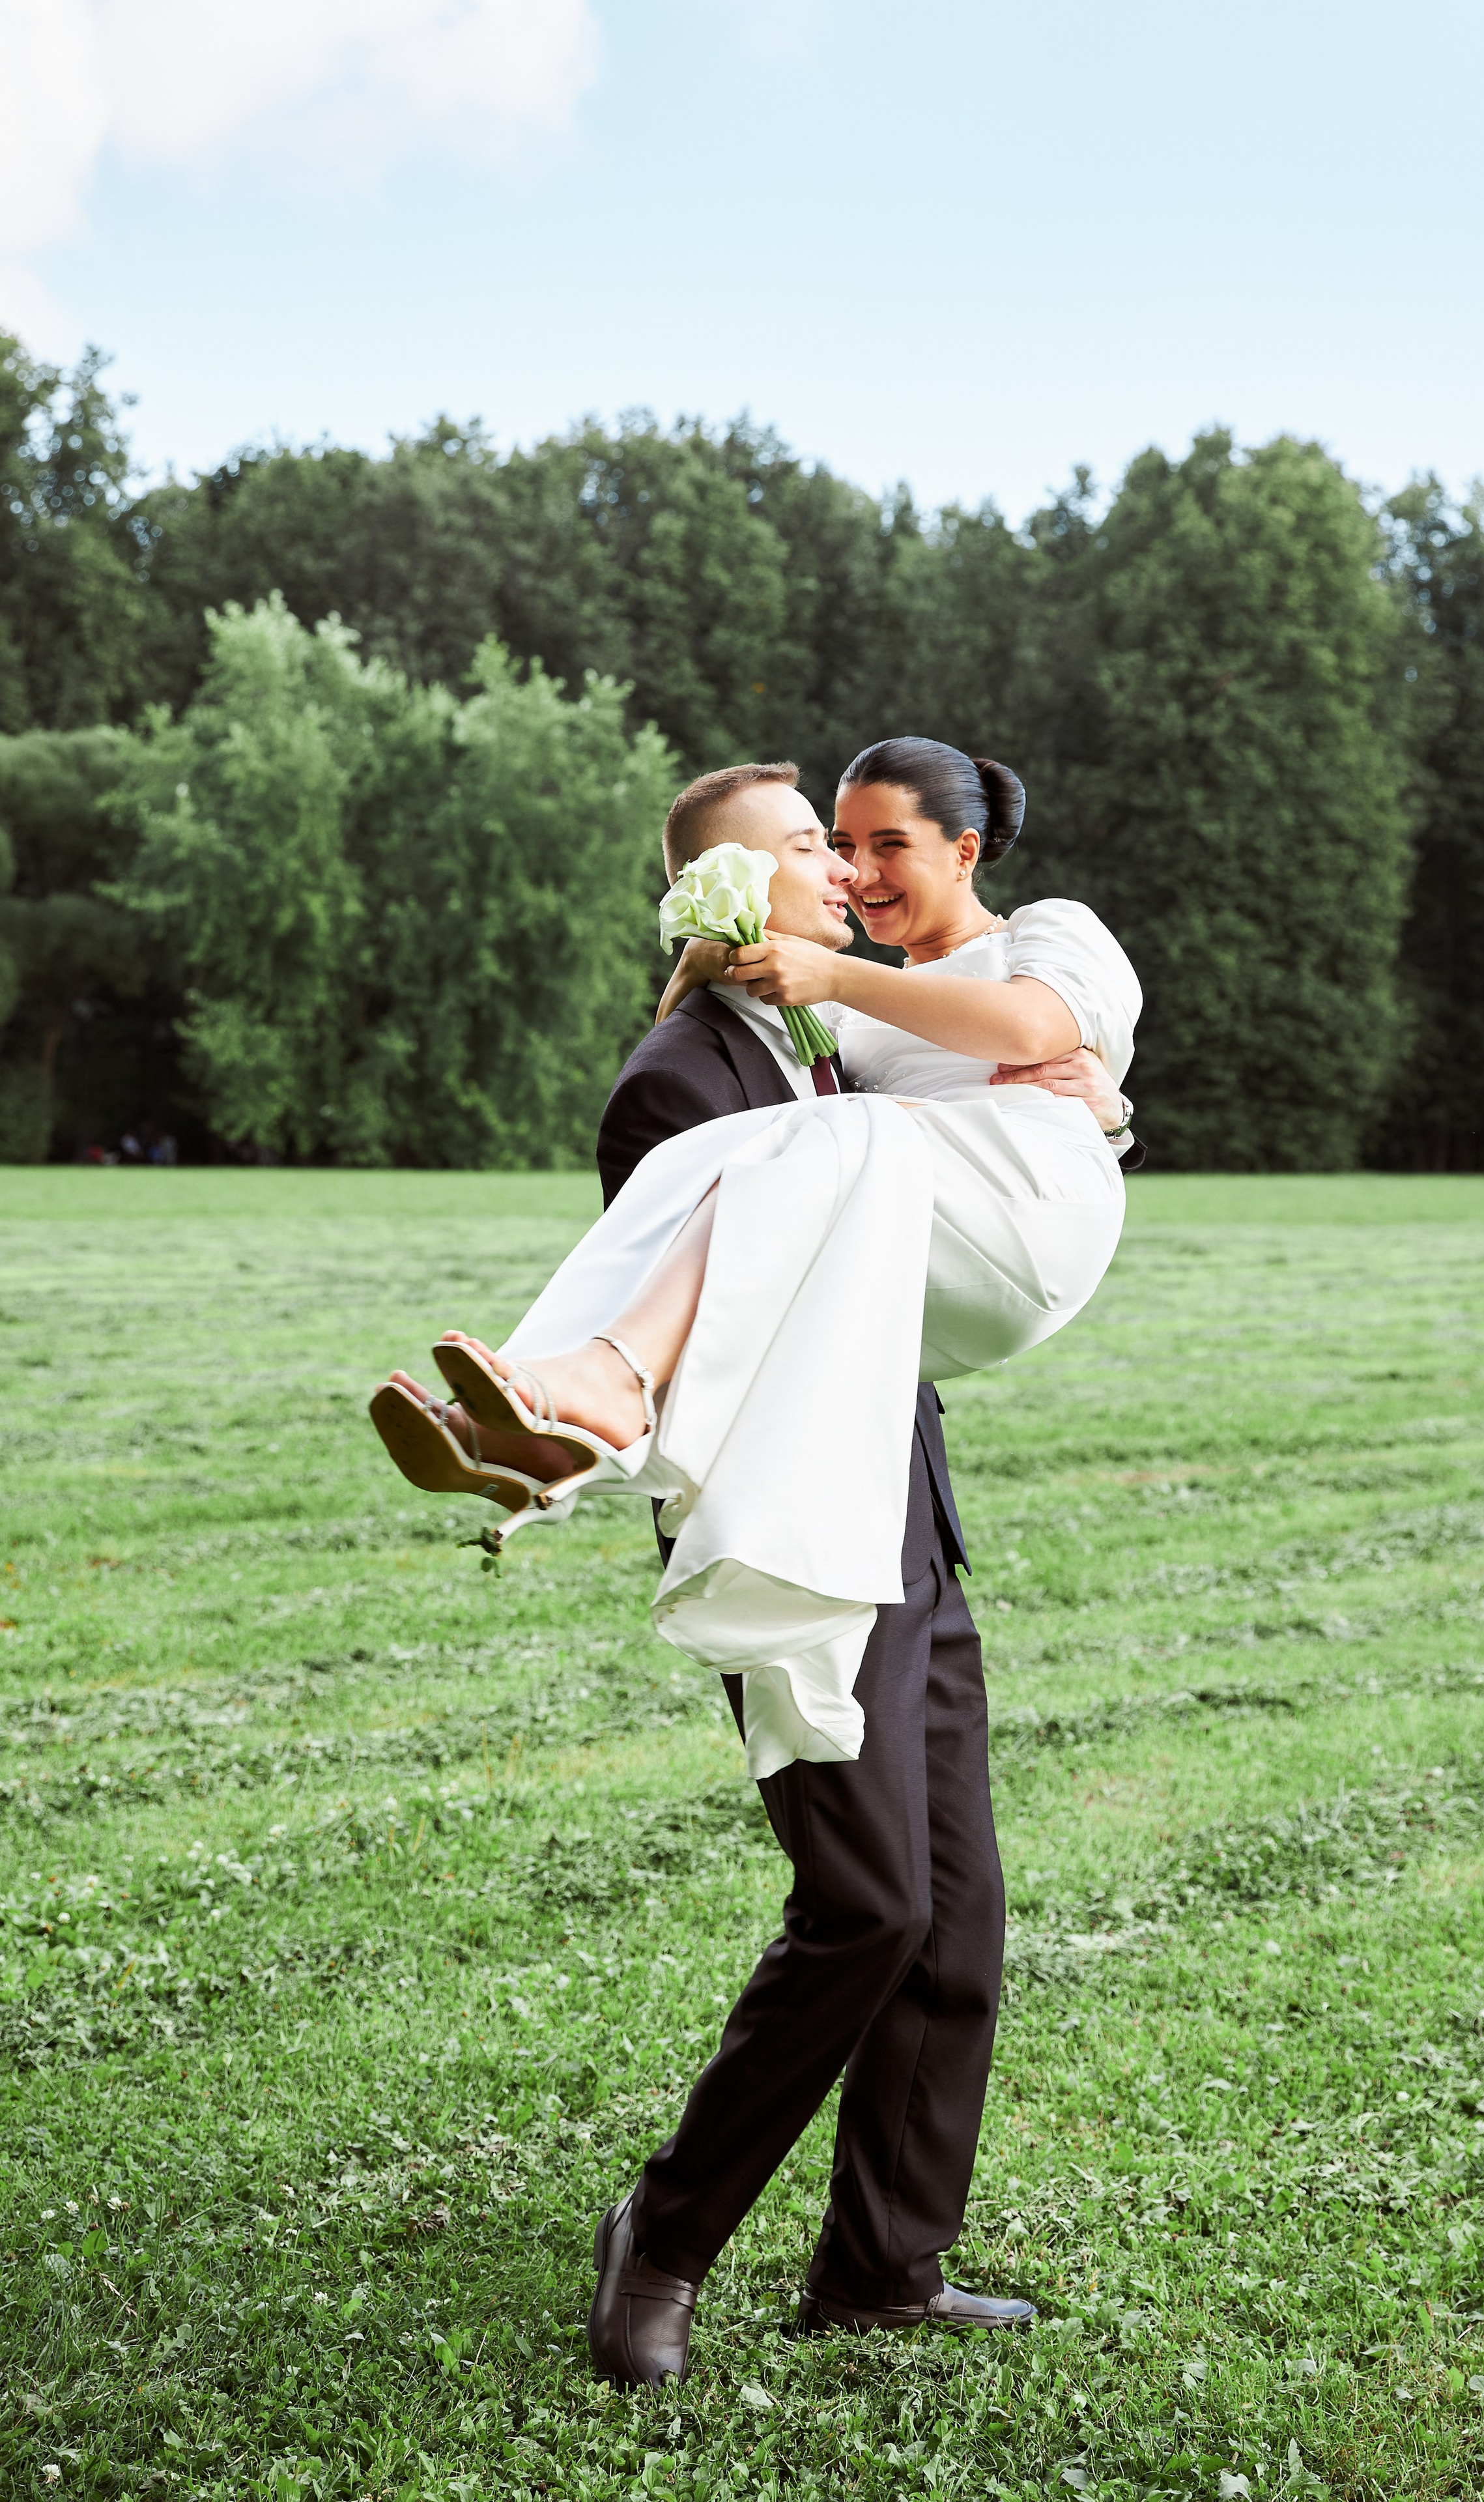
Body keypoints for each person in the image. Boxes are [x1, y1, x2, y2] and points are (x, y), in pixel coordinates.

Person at [370, 741, 1141, 2382]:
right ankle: (661, 2233)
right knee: (863, 1907)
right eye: (808, 848)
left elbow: (981, 1109)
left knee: (954, 1924)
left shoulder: (848, 1040)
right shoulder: (681, 1077)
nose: (841, 875)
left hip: (903, 1509)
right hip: (784, 1508)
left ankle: (881, 2269)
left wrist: (1074, 1097)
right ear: (726, 893)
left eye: (854, 846)